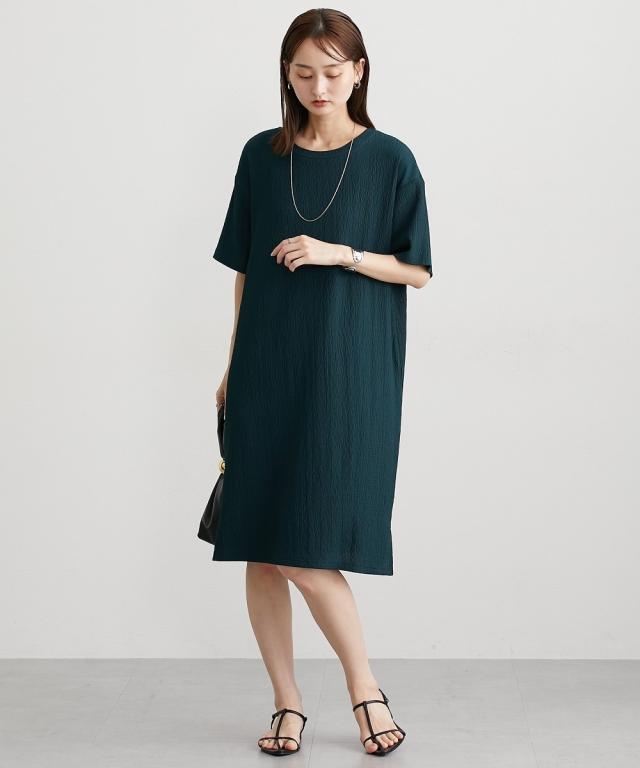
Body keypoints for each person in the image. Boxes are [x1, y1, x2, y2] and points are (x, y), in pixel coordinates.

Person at [209, 8, 432, 757]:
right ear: (287, 74)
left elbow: (418, 270)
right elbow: (245, 270)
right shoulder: (260, 155)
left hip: (348, 374)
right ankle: (287, 703)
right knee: (260, 542)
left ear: (359, 72)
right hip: (265, 369)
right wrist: (232, 365)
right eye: (303, 73)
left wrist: (341, 253)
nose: (318, 87)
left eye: (333, 72)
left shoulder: (391, 160)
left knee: (307, 544)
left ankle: (365, 689)